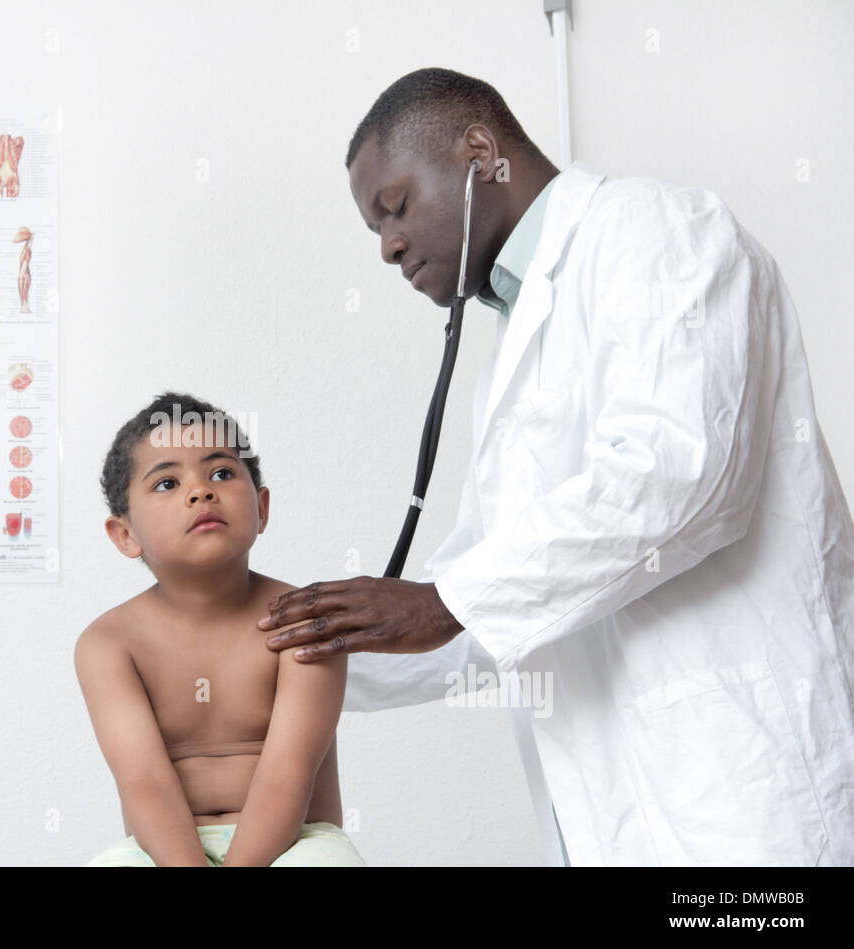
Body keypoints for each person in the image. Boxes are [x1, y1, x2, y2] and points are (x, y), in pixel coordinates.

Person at [257, 67, 854, 865]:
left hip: (739, 794)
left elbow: (683, 476)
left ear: (479, 151)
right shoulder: (516, 351)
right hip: (618, 813)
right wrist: (285, 655)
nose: (389, 247)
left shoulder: (654, 229)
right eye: (375, 231)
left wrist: (448, 599)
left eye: (394, 208)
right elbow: (491, 611)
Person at [76, 392, 366, 866]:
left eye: (222, 473)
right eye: (167, 482)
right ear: (125, 535)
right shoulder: (109, 644)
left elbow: (286, 774)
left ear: (262, 507)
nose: (201, 491)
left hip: (295, 842)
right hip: (167, 852)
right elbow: (144, 781)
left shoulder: (305, 619)